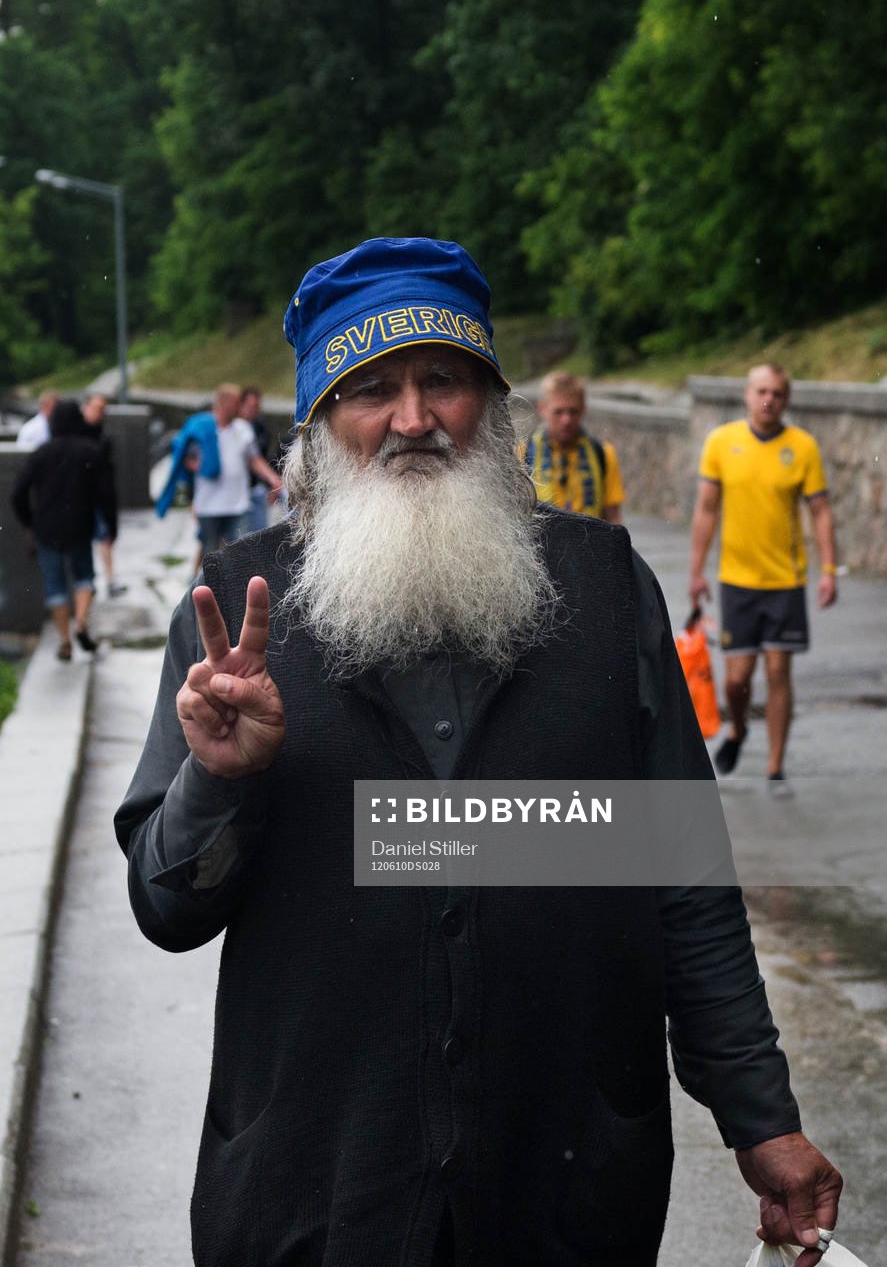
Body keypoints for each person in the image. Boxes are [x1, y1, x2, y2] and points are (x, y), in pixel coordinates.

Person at [117, 240, 841, 1267]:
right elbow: (165, 907)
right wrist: (217, 778)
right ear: (320, 427)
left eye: (441, 380)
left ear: (488, 406)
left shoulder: (600, 586)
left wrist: (758, 1114)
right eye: (370, 389)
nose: (411, 419)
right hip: (314, 1182)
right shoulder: (236, 607)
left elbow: (680, 875)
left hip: (567, 1178)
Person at [689, 363, 838, 798]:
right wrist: (697, 571)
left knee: (777, 670)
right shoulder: (722, 442)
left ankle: (775, 769)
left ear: (786, 399)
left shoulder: (803, 447)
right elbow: (706, 509)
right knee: (737, 679)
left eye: (776, 392)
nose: (768, 399)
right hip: (737, 579)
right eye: (761, 391)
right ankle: (737, 728)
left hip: (786, 581)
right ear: (747, 395)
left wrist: (828, 570)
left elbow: (821, 511)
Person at [11, 399, 114, 659]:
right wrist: (110, 527)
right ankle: (80, 623)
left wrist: (28, 521)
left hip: (46, 529)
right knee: (84, 578)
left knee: (55, 587)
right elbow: (106, 494)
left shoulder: (41, 453)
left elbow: (18, 493)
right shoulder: (90, 451)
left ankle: (65, 641)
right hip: (80, 526)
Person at [518, 369, 625, 521]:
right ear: (542, 409)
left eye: (573, 411)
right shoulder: (522, 455)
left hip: (591, 542)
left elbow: (614, 519)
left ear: (583, 409)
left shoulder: (604, 454)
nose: (566, 420)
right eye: (559, 412)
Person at [190, 383, 282, 554]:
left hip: (238, 504)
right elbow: (187, 459)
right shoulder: (202, 427)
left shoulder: (244, 429)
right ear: (225, 403)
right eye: (237, 402)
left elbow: (254, 460)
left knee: (242, 552)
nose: (240, 407)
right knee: (209, 553)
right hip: (209, 505)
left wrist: (273, 479)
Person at [81, 393, 127, 598]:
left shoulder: (102, 436)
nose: (100, 413)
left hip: (98, 496)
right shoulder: (82, 435)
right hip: (82, 496)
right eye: (96, 407)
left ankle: (109, 579)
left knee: (104, 538)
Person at [238, 385, 274, 532]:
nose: (254, 410)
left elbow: (262, 458)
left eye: (257, 406)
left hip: (257, 486)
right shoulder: (235, 427)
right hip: (237, 489)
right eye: (251, 406)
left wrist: (271, 482)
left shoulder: (260, 427)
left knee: (259, 533)